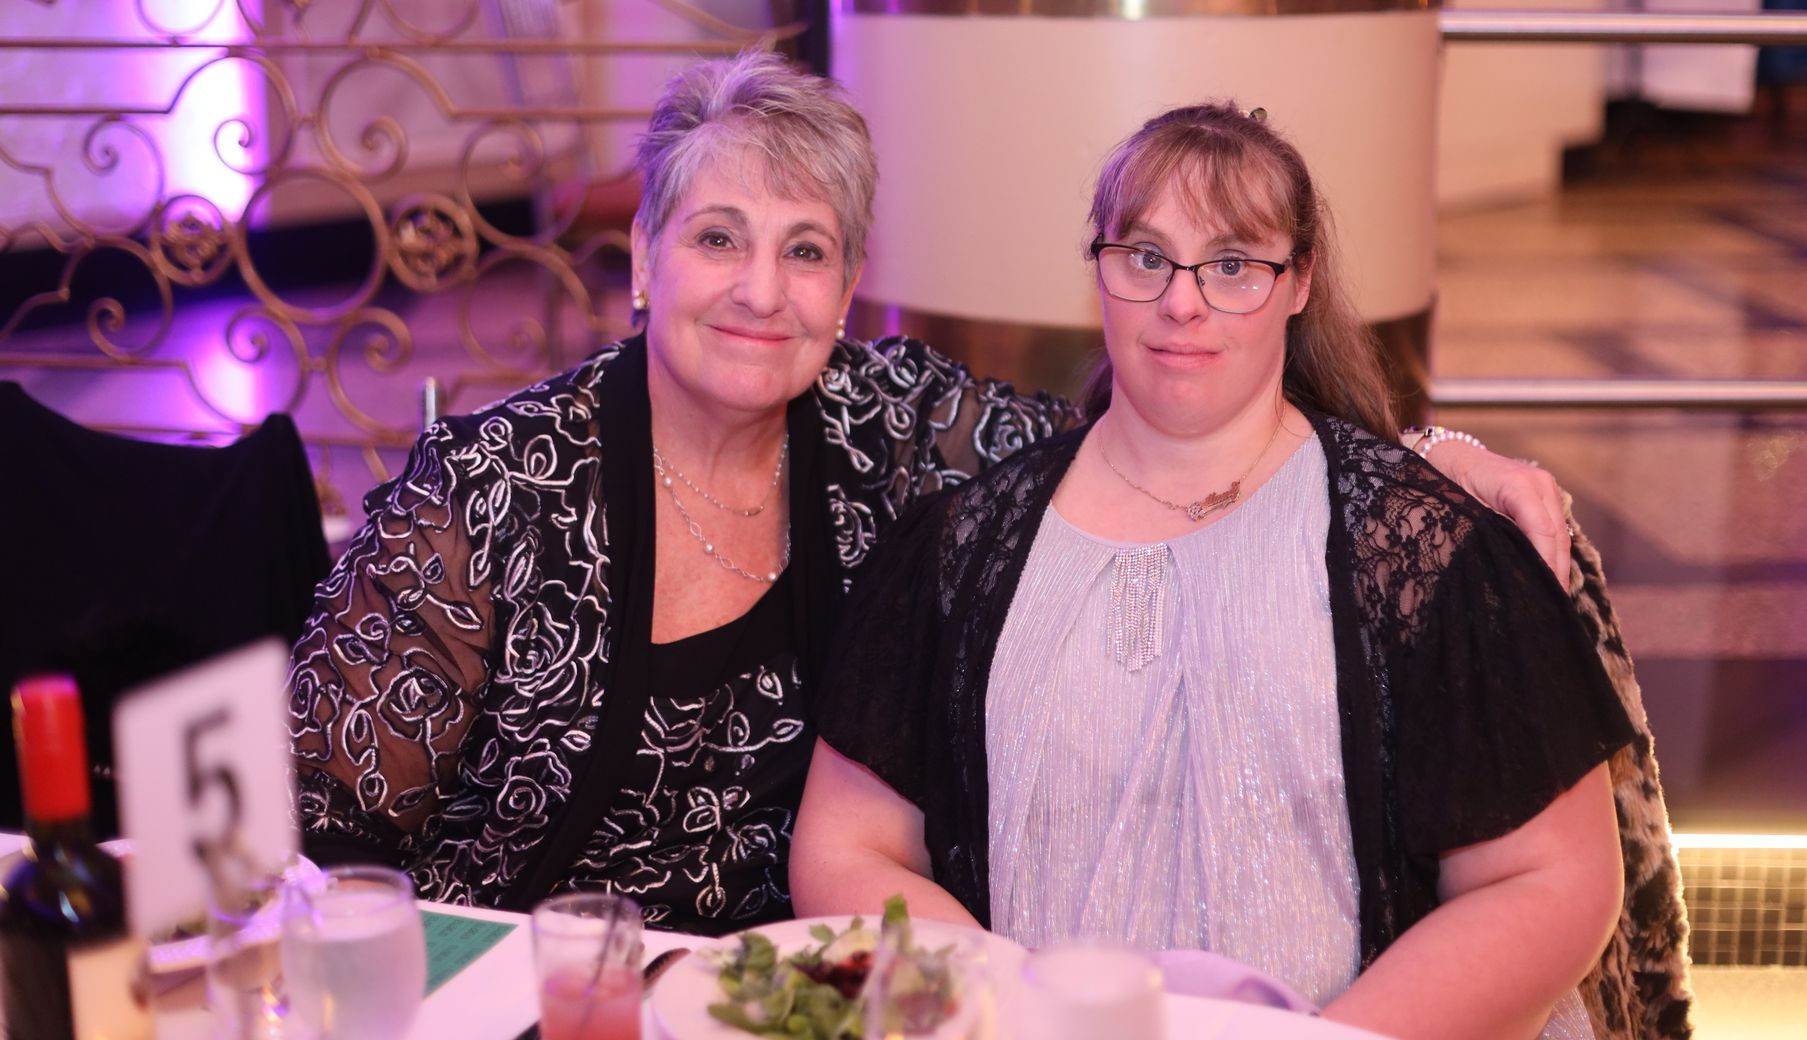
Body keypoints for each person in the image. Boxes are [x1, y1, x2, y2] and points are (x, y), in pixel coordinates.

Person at [287, 53, 1575, 937]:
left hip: (796, 994)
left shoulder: (889, 423)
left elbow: (1156, 426)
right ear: (643, 258)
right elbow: (315, 837)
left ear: (846, 288)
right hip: (529, 988)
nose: (761, 290)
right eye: (718, 237)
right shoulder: (493, 490)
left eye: (805, 250)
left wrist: (1428, 457)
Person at [791, 101, 1642, 1040]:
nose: (1181, 303)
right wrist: (1008, 1010)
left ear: (1300, 280)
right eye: (1146, 257)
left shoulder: (1420, 551)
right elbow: (847, 848)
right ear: (1100, 267)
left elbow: (1551, 882)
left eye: (1232, 264)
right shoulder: (962, 544)